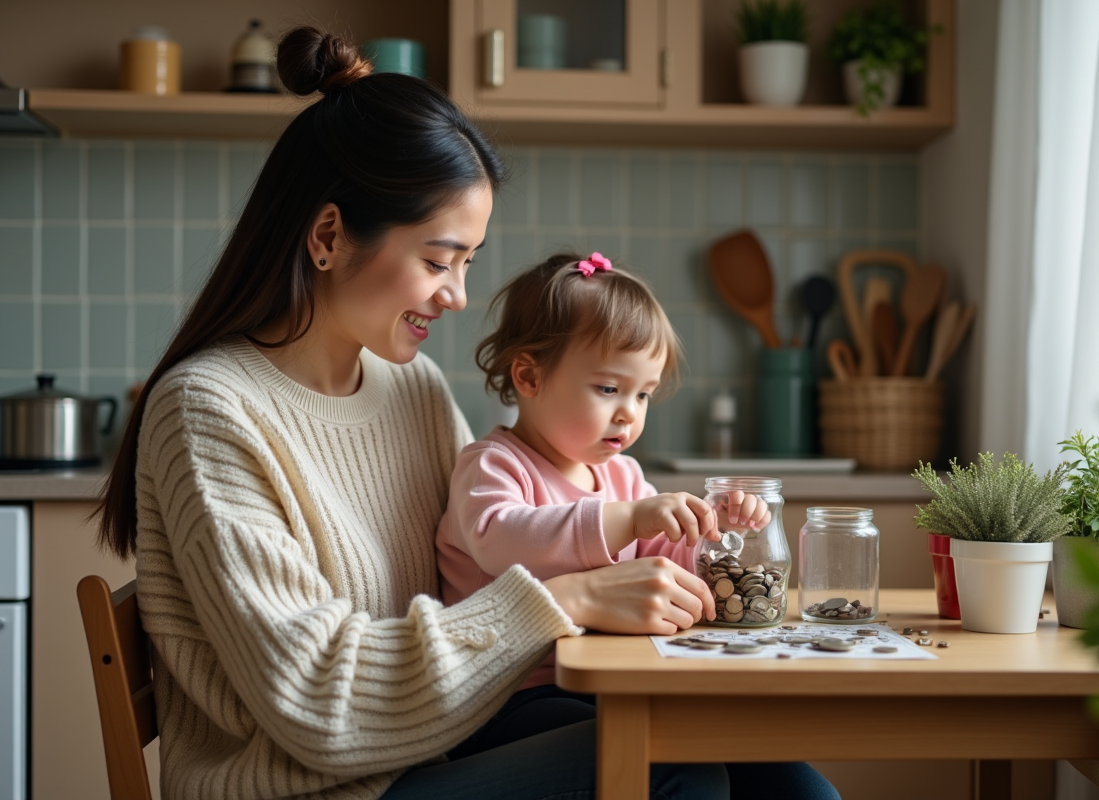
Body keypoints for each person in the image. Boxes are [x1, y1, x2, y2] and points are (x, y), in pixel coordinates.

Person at [93, 23, 838, 800]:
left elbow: (483, 572)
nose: (456, 295)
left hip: (436, 758)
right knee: (675, 763)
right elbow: (316, 704)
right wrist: (568, 599)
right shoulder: (210, 411)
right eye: (436, 261)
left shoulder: (408, 392)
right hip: (325, 790)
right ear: (327, 237)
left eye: (467, 263)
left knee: (777, 767)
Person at [433, 253, 839, 800]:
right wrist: (630, 518)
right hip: (509, 701)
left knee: (798, 787)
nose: (630, 413)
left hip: (616, 683)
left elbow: (666, 555)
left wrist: (712, 525)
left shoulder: (622, 475)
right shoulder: (493, 464)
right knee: (688, 770)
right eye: (608, 389)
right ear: (529, 375)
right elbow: (501, 541)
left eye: (643, 394)